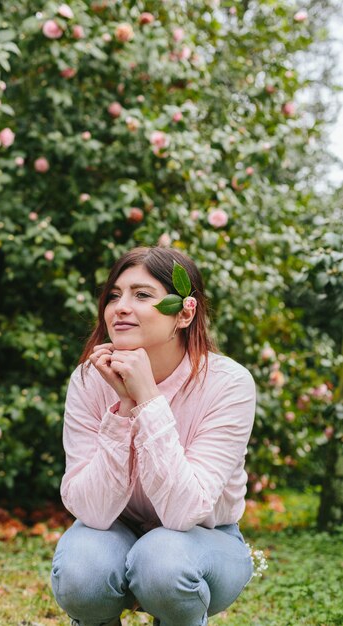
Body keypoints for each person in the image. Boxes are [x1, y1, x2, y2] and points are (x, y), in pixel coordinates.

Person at [51, 246, 256, 626]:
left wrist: (148, 399)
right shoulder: (88, 379)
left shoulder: (229, 384)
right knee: (81, 570)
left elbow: (183, 512)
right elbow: (91, 511)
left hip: (204, 541)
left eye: (142, 295)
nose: (120, 307)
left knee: (161, 561)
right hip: (114, 530)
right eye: (114, 295)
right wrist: (124, 408)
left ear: (184, 312)